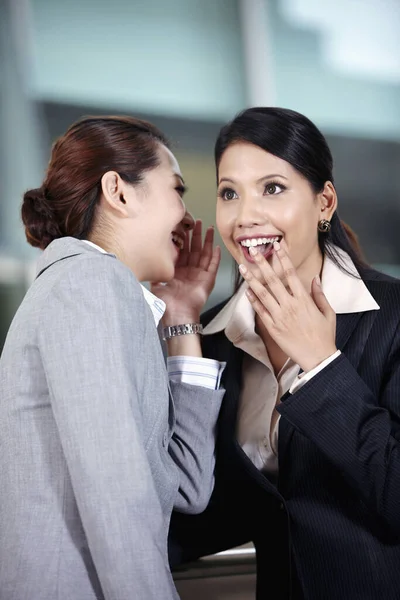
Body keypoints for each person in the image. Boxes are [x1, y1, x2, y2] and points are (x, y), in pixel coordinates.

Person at [169, 107, 400, 600]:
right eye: (230, 192)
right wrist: (182, 320)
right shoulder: (217, 340)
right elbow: (199, 507)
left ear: (324, 202)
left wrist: (321, 366)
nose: (247, 215)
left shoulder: (394, 317)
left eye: (272, 188)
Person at [0, 115, 225, 600]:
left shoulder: (103, 292)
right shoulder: (89, 284)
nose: (187, 216)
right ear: (119, 192)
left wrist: (182, 317)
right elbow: (117, 500)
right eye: (177, 189)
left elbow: (187, 486)